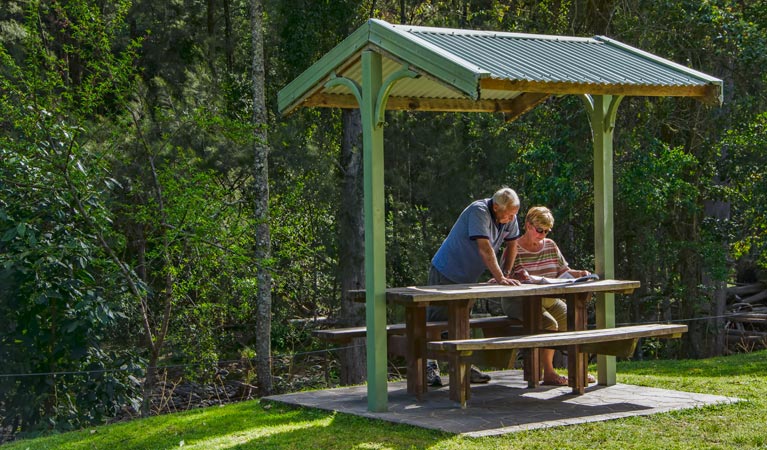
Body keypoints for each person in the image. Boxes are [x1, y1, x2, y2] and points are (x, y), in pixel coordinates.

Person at [426, 187, 522, 387]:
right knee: (436, 320)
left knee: (463, 320)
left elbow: (513, 245)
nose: (512, 218)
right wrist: (500, 277)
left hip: (468, 278)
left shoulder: (510, 217)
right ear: (496, 207)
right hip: (446, 271)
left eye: (515, 213)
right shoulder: (479, 211)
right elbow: (485, 248)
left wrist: (504, 274)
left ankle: (464, 365)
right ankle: (429, 366)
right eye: (509, 214)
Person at [501, 206, 595, 386]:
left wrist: (579, 274)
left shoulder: (551, 245)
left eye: (546, 231)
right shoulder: (514, 248)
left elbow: (564, 271)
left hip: (548, 298)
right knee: (549, 324)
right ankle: (548, 372)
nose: (542, 234)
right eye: (539, 230)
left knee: (574, 318)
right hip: (520, 301)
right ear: (528, 225)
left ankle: (579, 370)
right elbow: (505, 277)